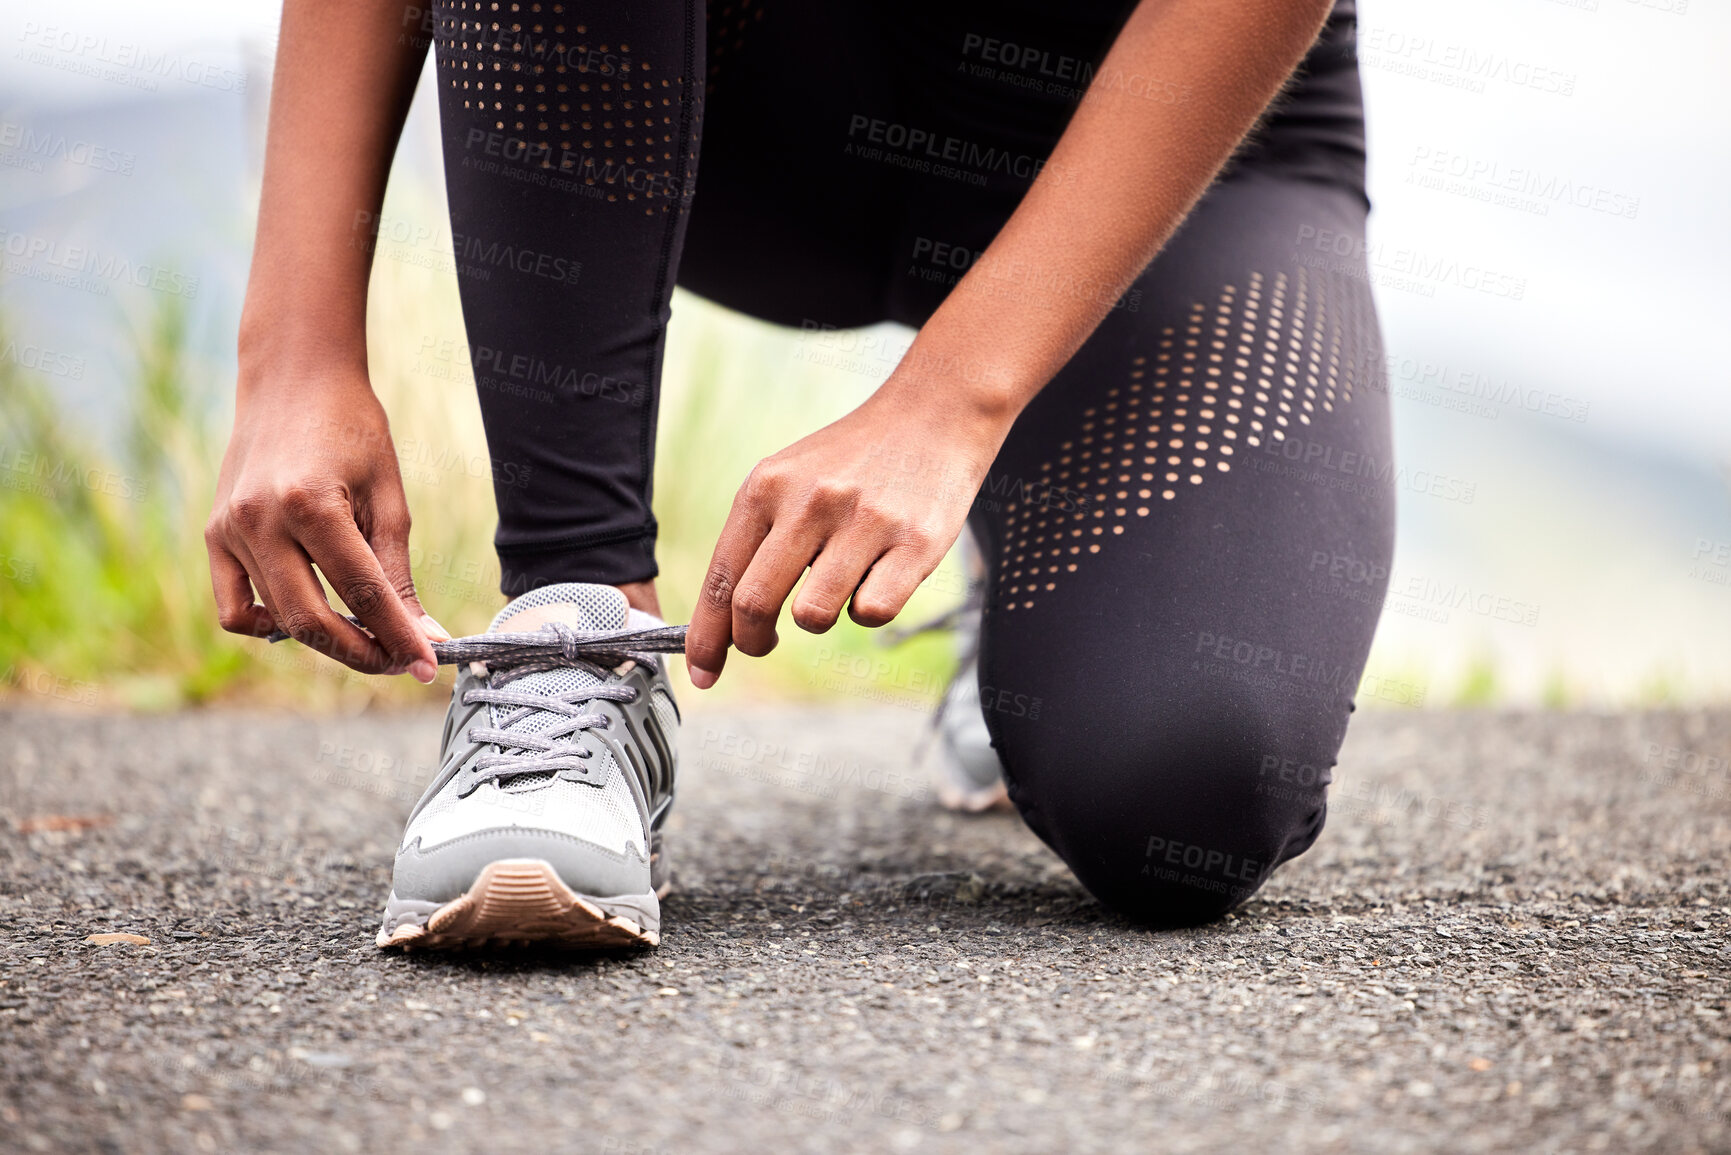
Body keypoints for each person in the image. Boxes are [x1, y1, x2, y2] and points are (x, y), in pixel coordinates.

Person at [206, 0, 1394, 948]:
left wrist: (953, 401)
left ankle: (1021, 541)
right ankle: (568, 639)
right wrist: (293, 352)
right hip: (748, 88)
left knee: (1182, 788)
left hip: (1180, 142)